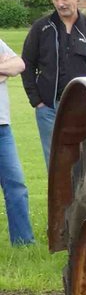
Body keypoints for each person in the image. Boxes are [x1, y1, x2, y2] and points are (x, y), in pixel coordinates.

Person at [21, 0, 86, 165]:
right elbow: (27, 64)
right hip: (49, 109)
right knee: (56, 165)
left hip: (85, 109)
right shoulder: (41, 28)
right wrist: (37, 101)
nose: (60, 3)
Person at [0, 39, 34, 246]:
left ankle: (23, 243)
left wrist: (4, 68)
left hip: (2, 128)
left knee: (16, 185)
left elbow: (19, 65)